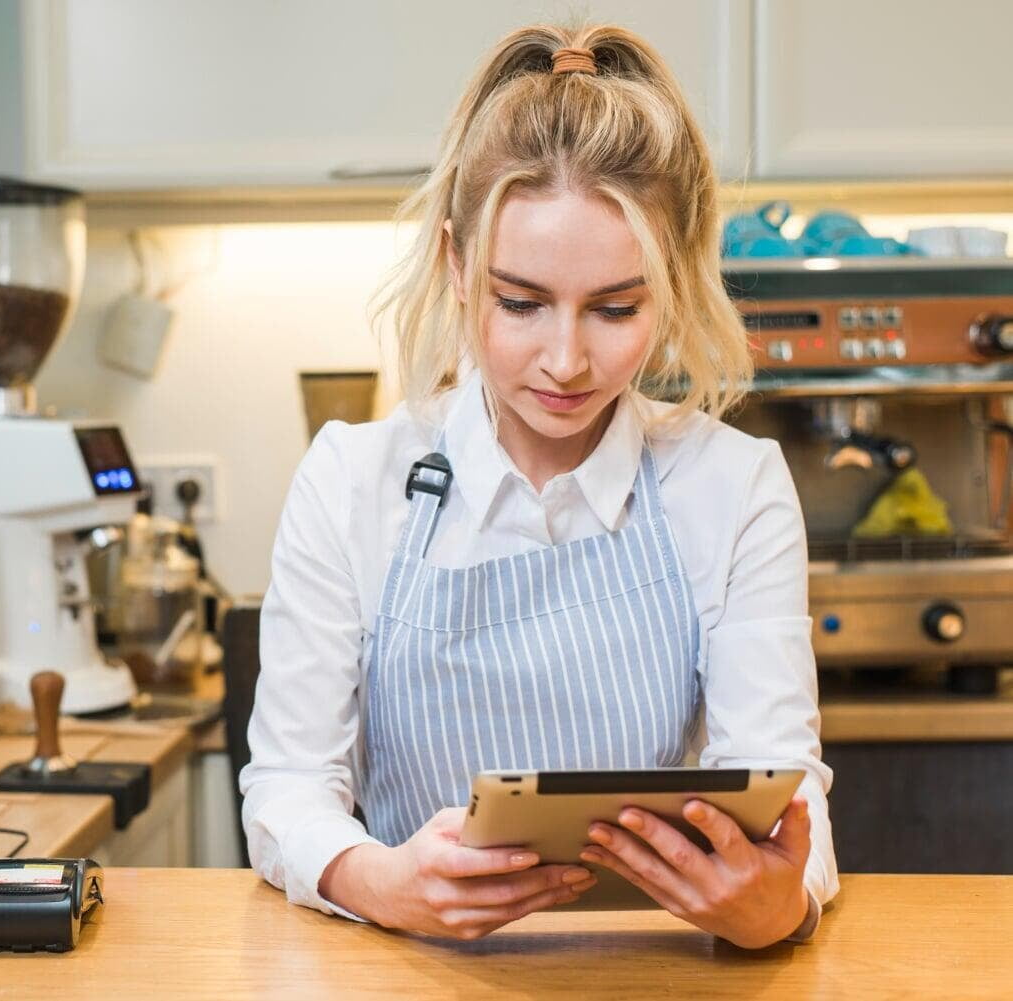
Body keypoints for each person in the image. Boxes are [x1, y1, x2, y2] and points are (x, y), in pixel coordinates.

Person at [239, 23, 839, 948]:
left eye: (615, 307)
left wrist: (778, 905)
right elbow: (285, 789)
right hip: (413, 967)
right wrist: (383, 882)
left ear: (671, 285)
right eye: (519, 302)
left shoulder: (734, 485)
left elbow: (783, 788)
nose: (565, 360)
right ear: (456, 264)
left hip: (647, 967)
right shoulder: (353, 480)